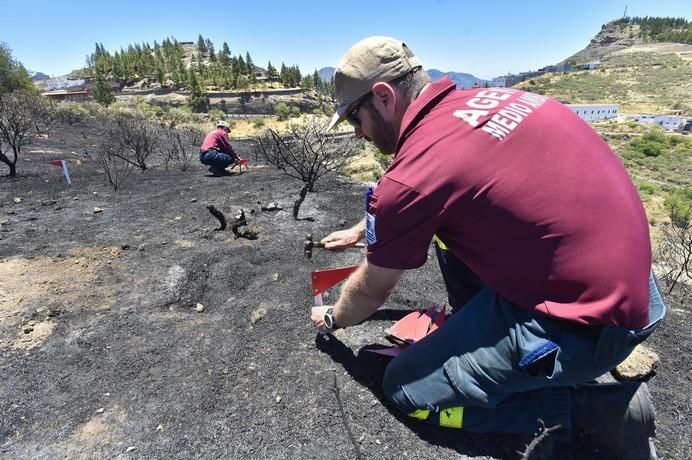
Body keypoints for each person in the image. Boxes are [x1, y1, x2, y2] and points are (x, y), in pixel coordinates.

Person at [310, 36, 665, 459]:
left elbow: (371, 290)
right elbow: (448, 191)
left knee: (405, 389)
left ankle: (597, 412)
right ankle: (496, 350)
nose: (358, 134)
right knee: (452, 239)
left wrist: (332, 317)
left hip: (592, 325)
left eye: (355, 118)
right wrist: (366, 227)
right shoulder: (498, 101)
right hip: (637, 289)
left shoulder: (419, 170)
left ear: (383, 97)